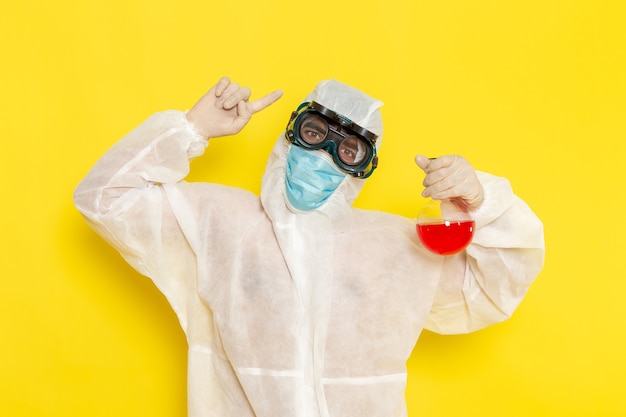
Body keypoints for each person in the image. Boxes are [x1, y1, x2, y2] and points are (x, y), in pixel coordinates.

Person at [74, 76, 544, 417]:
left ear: (362, 168)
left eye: (349, 150)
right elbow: (103, 199)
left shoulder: (395, 245)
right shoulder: (218, 220)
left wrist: (479, 201)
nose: (323, 157)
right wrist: (191, 129)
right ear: (291, 134)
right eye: (316, 134)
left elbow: (492, 287)